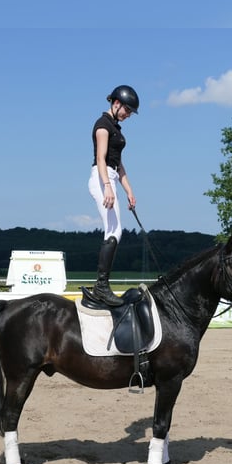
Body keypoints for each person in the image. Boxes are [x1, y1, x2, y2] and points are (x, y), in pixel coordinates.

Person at [88, 84, 139, 306]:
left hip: (111, 177)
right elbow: (101, 159)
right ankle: (101, 287)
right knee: (113, 231)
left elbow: (119, 164)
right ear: (116, 103)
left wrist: (129, 190)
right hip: (101, 178)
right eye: (126, 110)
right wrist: (107, 186)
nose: (128, 115)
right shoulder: (102, 125)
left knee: (115, 232)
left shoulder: (116, 129)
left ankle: (102, 285)